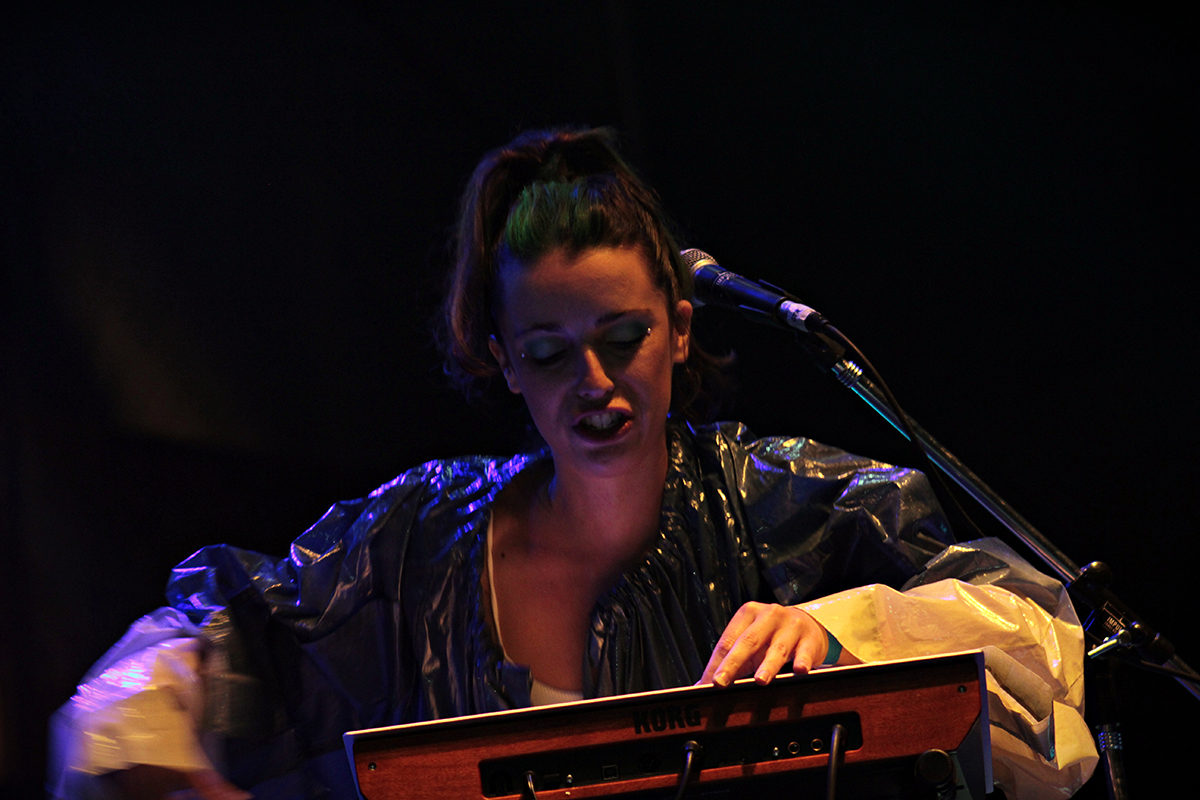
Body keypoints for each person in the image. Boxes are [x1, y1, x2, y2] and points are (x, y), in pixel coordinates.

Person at [50, 128, 1097, 800]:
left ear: (679, 328)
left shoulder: (778, 502)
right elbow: (203, 636)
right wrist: (147, 747)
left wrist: (846, 626)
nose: (593, 381)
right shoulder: (413, 544)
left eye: (623, 336)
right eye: (550, 353)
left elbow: (1031, 628)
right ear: (503, 360)